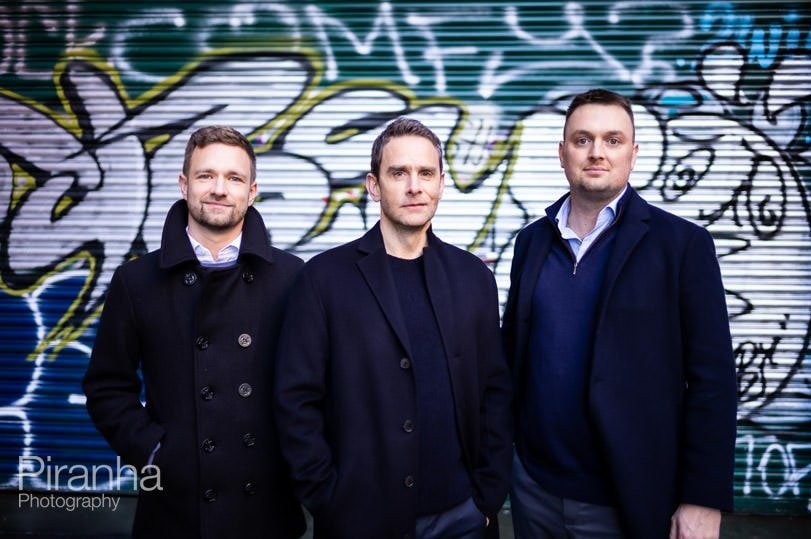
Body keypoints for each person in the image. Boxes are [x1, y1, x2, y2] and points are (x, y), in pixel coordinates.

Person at [502, 89, 737, 538]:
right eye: (582, 139)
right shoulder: (531, 243)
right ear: (562, 152)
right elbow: (513, 354)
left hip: (627, 494)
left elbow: (713, 379)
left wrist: (702, 498)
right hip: (534, 490)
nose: (596, 153)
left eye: (613, 140)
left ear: (633, 153)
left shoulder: (681, 246)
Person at [274, 117, 512, 539]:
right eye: (398, 173)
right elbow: (296, 400)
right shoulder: (324, 279)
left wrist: (487, 496)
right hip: (362, 519)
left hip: (464, 516)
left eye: (425, 173)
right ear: (373, 184)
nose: (413, 186)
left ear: (441, 182)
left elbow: (493, 390)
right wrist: (327, 498)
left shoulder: (474, 277)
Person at [83, 125, 306, 539]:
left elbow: (313, 387)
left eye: (234, 178)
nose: (219, 189)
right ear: (184, 185)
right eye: (206, 176)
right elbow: (106, 387)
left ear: (252, 191)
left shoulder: (293, 277)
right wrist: (154, 453)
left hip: (266, 509)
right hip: (175, 509)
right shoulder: (136, 281)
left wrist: (297, 462)